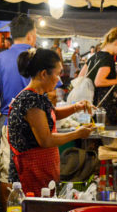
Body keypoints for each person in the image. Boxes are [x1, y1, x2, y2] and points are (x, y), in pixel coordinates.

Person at [7, 48, 93, 194]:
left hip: (40, 168)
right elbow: (45, 140)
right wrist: (77, 134)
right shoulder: (30, 100)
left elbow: (52, 113)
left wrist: (76, 107)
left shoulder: (39, 96)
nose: (59, 79)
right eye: (58, 73)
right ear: (43, 74)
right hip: (31, 171)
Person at [0, 14, 38, 204]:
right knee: (34, 170)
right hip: (37, 125)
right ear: (31, 35)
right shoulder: (40, 57)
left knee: (7, 171)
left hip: (8, 123)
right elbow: (54, 95)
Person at [78, 27, 117, 125]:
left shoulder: (94, 57)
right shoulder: (108, 58)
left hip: (89, 106)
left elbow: (80, 77)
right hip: (103, 107)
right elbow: (99, 82)